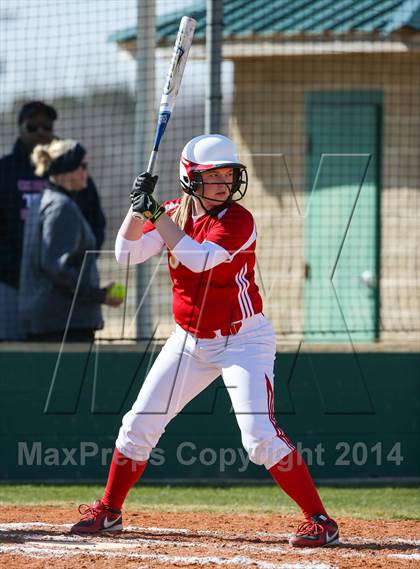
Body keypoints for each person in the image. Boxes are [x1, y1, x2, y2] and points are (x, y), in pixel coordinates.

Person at [70, 134, 339, 547]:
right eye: (212, 176)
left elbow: (200, 260)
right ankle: (109, 510)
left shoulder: (237, 220)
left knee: (259, 437)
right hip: (189, 340)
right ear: (190, 179)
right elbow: (126, 255)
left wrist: (155, 213)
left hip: (243, 341)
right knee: (138, 425)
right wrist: (136, 208)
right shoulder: (174, 213)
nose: (223, 184)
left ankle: (319, 520)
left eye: (228, 175)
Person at [0, 101, 106, 340]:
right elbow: (53, 263)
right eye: (33, 125)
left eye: (46, 126)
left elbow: (96, 223)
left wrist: (83, 261)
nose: (41, 131)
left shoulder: (76, 178)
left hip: (62, 292)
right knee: (12, 354)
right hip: (10, 283)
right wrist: (20, 268)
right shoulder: (5, 171)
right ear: (20, 128)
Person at [18, 139, 121, 342]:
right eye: (83, 166)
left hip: (52, 322)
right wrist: (100, 295)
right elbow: (56, 267)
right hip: (64, 324)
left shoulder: (44, 200)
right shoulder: (61, 207)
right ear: (67, 169)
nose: (87, 172)